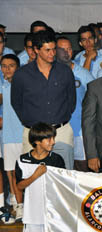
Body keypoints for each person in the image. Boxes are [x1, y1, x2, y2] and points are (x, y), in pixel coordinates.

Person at [11, 30, 76, 170]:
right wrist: (29, 122)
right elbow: (16, 102)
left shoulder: (65, 71)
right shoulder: (22, 75)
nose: (52, 53)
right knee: (31, 177)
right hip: (33, 134)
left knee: (65, 178)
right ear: (36, 50)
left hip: (61, 132)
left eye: (54, 49)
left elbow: (71, 101)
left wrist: (61, 117)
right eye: (47, 50)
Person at [15, 123, 65, 232]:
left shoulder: (57, 159)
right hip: (32, 215)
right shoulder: (23, 160)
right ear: (37, 141)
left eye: (53, 138)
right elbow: (19, 186)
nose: (53, 142)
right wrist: (35, 176)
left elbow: (63, 185)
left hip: (53, 214)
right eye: (49, 139)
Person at [56, 36, 94, 171]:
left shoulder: (83, 73)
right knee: (61, 168)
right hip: (58, 130)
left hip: (79, 130)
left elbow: (94, 99)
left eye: (69, 49)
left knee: (82, 167)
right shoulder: (49, 72)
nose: (67, 52)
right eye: (62, 49)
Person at [1, 54, 24, 220]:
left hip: (24, 135)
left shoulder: (25, 86)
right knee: (10, 174)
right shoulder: (2, 87)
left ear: (18, 68)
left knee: (23, 173)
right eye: (3, 66)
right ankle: (17, 205)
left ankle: (24, 205)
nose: (7, 69)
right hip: (8, 136)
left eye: (11, 66)